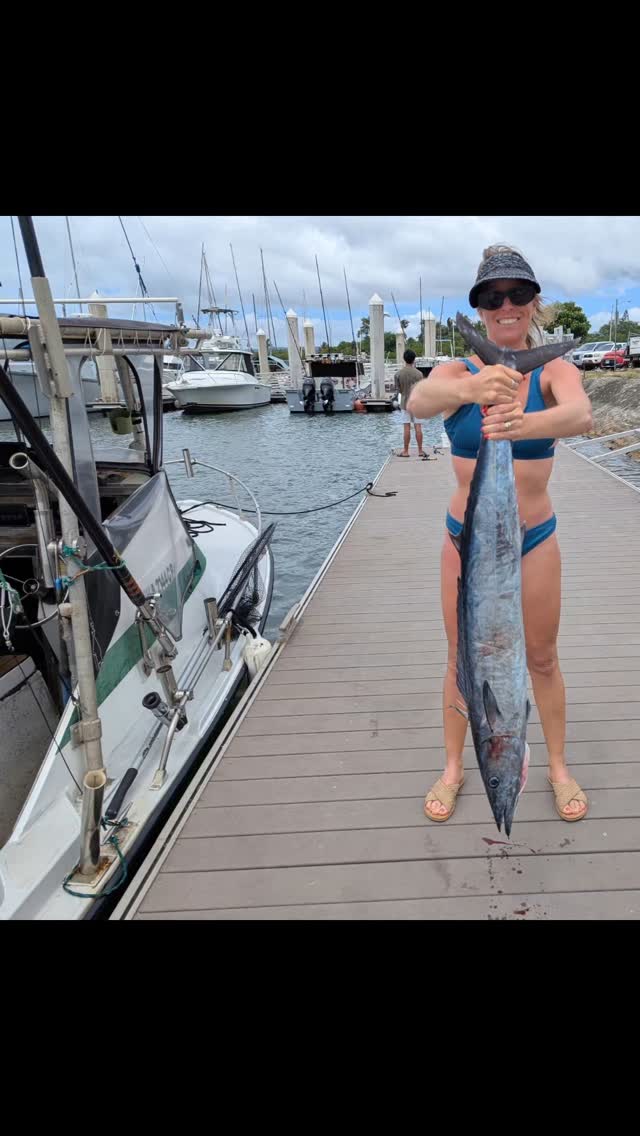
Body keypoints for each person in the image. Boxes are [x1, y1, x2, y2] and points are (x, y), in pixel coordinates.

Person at [407, 245, 593, 823]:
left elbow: (581, 415)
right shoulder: (459, 370)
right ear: (481, 310)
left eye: (517, 296)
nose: (505, 307)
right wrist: (472, 390)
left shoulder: (553, 369)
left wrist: (521, 421)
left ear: (533, 304)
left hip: (533, 537)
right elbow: (417, 402)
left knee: (541, 657)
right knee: (461, 659)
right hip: (465, 539)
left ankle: (557, 766)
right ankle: (455, 767)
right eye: (493, 298)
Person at [394, 349, 427, 457]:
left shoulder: (398, 374)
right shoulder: (419, 374)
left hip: (405, 403)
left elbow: (398, 390)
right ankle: (420, 451)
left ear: (404, 359)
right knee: (418, 427)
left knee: (406, 427)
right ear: (414, 359)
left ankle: (406, 451)